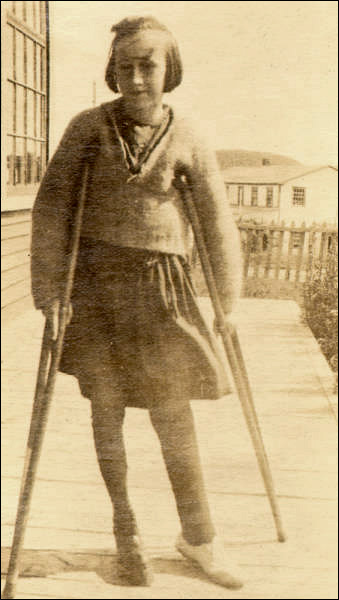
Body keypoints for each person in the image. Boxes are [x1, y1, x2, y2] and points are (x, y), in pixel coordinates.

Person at [31, 16, 243, 589]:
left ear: (169, 69)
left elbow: (218, 223)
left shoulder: (190, 135)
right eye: (123, 66)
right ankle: (127, 532)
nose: (134, 77)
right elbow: (51, 208)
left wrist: (227, 300)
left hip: (163, 288)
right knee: (108, 409)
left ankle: (199, 537)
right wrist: (50, 291)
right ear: (111, 70)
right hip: (96, 287)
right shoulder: (86, 128)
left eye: (147, 64)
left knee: (174, 412)